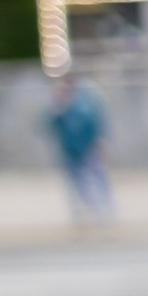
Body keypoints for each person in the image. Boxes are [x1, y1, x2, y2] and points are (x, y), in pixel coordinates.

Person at [45, 75, 113, 225]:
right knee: (76, 182)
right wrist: (57, 107)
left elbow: (94, 124)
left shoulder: (84, 104)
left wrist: (100, 142)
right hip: (69, 150)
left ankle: (105, 209)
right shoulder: (59, 107)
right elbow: (49, 125)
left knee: (98, 177)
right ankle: (84, 210)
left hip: (88, 148)